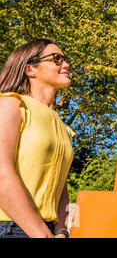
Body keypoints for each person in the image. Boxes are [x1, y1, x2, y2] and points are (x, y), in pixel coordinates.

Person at [0, 39, 74, 238]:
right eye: (56, 59)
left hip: (47, 231)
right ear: (30, 69)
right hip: (10, 228)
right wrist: (39, 232)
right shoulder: (10, 105)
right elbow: (1, 174)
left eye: (65, 60)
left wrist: (60, 230)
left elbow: (61, 185)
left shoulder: (63, 127)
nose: (65, 65)